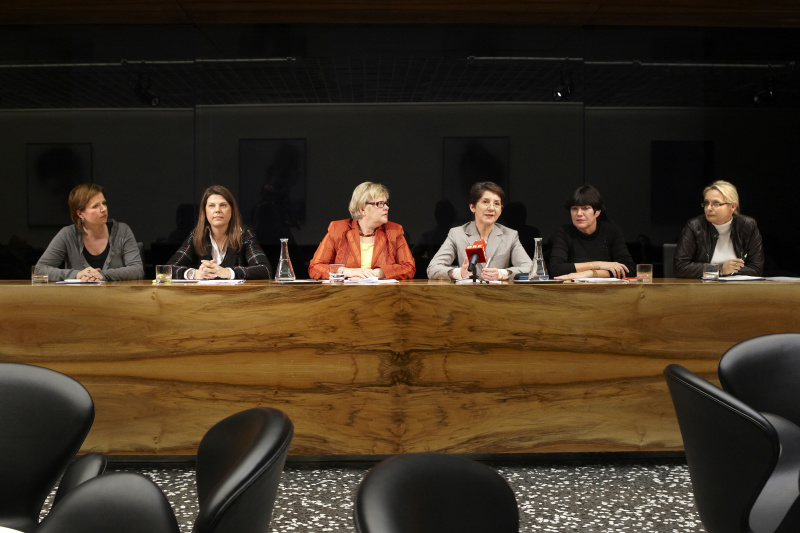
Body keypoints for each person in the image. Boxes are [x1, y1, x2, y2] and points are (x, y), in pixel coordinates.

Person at [35, 183, 144, 281]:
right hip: (79, 299)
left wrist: (101, 275)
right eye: (95, 206)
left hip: (116, 298)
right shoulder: (68, 234)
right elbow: (40, 270)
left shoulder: (122, 230)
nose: (103, 209)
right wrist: (78, 274)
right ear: (80, 214)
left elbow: (137, 270)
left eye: (104, 203)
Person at [308, 182, 415, 280]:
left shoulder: (394, 231)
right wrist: (347, 272)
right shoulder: (338, 229)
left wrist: (377, 273)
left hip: (382, 296)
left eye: (386, 203)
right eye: (380, 204)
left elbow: (409, 267)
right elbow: (315, 268)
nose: (386, 207)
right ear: (362, 209)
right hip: (345, 297)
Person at [427, 181, 531, 281]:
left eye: (496, 204)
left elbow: (530, 269)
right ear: (472, 207)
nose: (491, 208)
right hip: (466, 296)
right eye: (485, 202)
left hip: (499, 296)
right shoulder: (457, 234)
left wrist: (502, 274)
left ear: (501, 210)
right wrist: (459, 273)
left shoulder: (510, 235)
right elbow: (433, 268)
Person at [169, 185, 272, 280]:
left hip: (236, 297)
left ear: (231, 210)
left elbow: (265, 270)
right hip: (203, 297)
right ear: (205, 212)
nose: (217, 210)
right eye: (211, 205)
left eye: (223, 205)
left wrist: (227, 272)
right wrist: (193, 274)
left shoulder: (244, 235)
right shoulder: (196, 236)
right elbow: (167, 270)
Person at [674, 180, 764, 278]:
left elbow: (756, 269)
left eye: (716, 203)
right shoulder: (694, 226)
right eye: (706, 203)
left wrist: (729, 270)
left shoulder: (747, 225)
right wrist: (720, 269)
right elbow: (680, 268)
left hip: (738, 288)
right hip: (703, 288)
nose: (708, 208)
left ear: (732, 206)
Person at [549, 185, 634, 280]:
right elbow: (555, 269)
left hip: (606, 292)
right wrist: (599, 264)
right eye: (574, 208)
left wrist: (590, 274)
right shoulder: (563, 232)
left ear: (597, 212)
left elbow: (628, 269)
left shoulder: (611, 231)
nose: (579, 213)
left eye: (585, 208)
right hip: (573, 291)